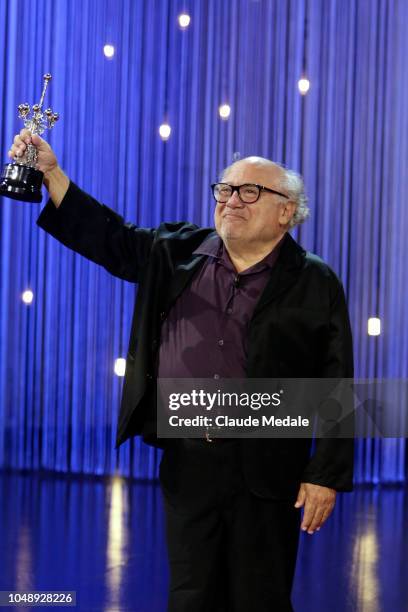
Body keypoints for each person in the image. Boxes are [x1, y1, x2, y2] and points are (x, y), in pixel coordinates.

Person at [9, 130, 354, 612]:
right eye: (225, 189)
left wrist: (326, 475)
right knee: (190, 597)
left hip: (269, 467)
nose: (232, 199)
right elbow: (111, 237)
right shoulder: (175, 251)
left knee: (261, 598)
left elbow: (337, 382)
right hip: (188, 461)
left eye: (249, 191)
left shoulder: (315, 279)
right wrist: (51, 172)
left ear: (286, 212)